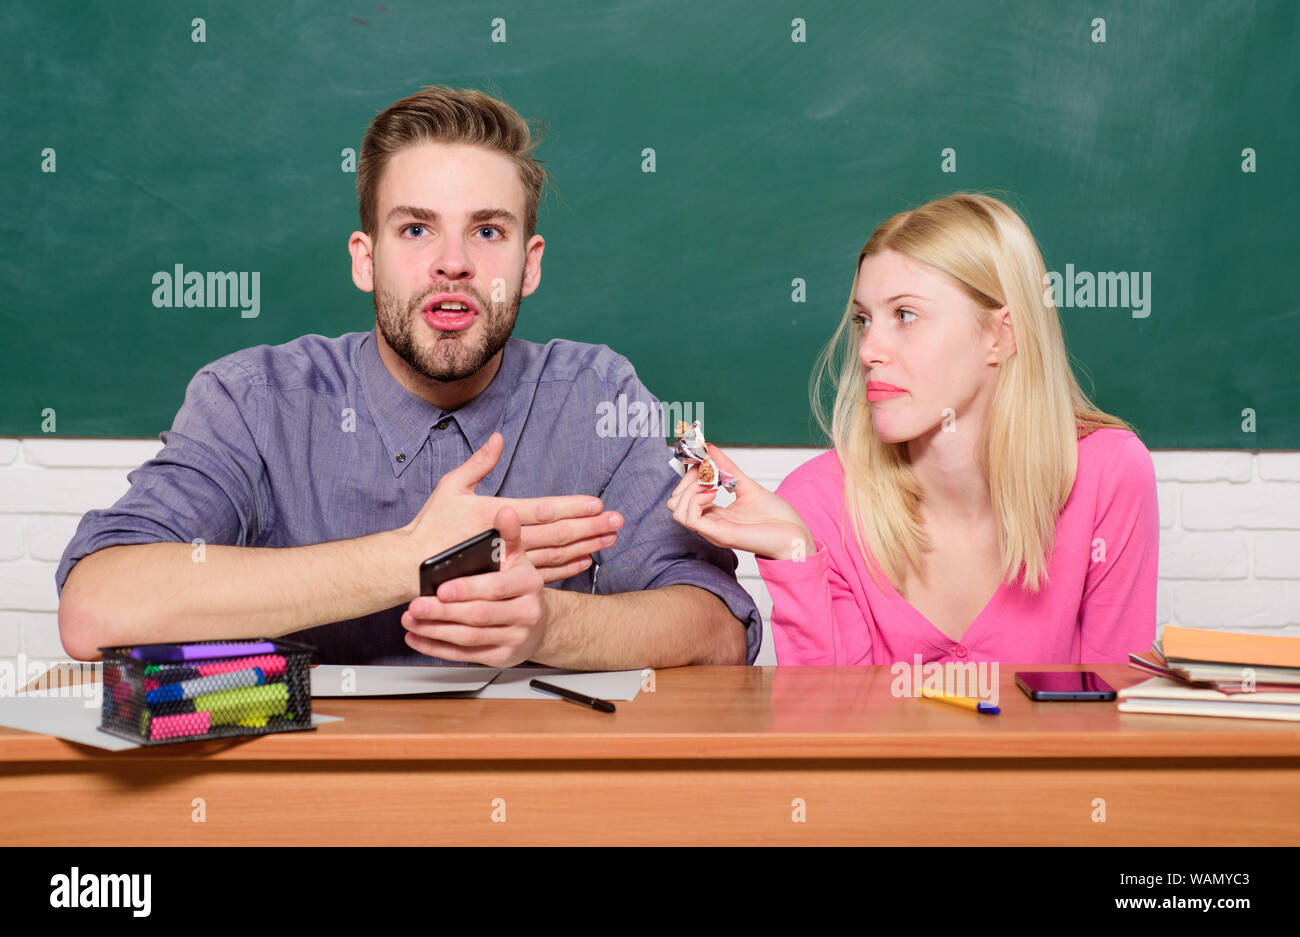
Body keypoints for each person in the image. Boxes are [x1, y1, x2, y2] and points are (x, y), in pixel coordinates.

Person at [56, 86, 759, 668]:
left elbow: (717, 630)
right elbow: (97, 608)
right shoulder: (253, 400)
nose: (453, 262)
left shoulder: (597, 396)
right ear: (365, 260)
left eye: (487, 232)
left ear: (530, 263)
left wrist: (551, 628)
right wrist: (410, 558)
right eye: (416, 230)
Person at [668, 193, 1157, 665]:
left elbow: (1110, 711)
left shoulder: (1108, 474)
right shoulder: (817, 503)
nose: (868, 350)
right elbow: (821, 733)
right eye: (863, 320)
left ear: (1000, 335)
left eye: (905, 315)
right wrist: (798, 557)